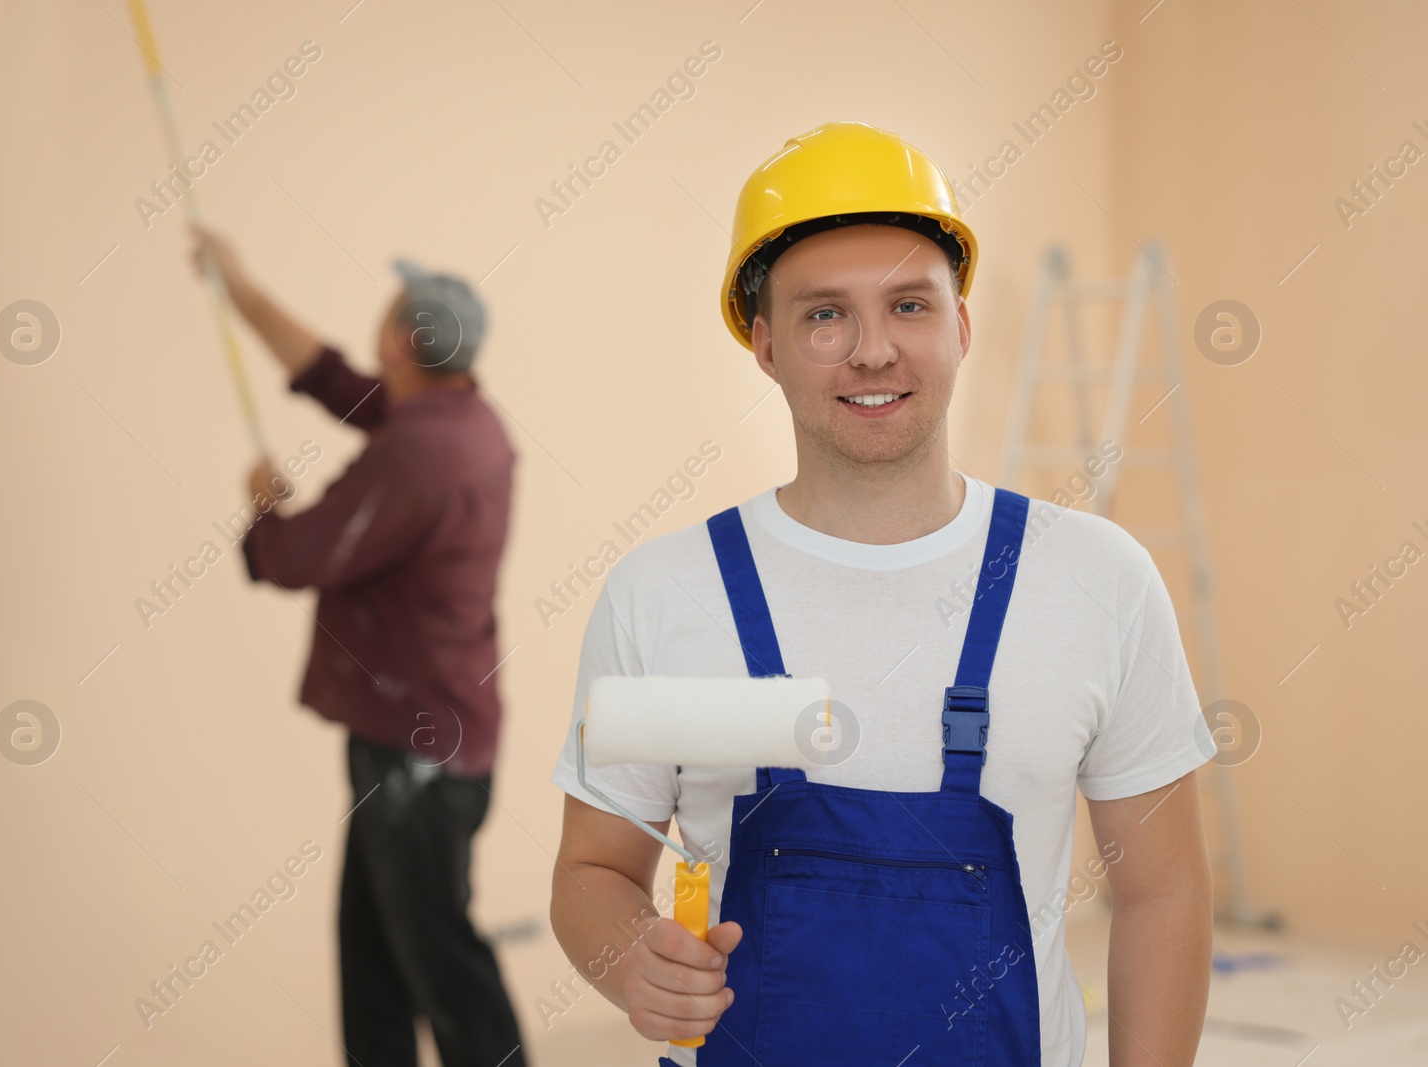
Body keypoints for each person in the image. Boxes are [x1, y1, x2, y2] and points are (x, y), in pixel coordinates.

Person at [548, 122, 1214, 1066]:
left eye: (909, 304)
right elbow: (593, 868)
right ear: (766, 345)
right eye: (825, 315)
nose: (871, 352)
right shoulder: (662, 596)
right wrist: (628, 960)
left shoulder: (1098, 581)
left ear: (962, 327)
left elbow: (1163, 892)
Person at [190, 227, 527, 1067]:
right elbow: (334, 381)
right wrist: (240, 286)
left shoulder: (418, 454)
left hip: (416, 755)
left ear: (402, 340)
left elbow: (298, 557)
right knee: (373, 962)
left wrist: (267, 507)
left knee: (444, 972)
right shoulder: (462, 418)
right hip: (428, 740)